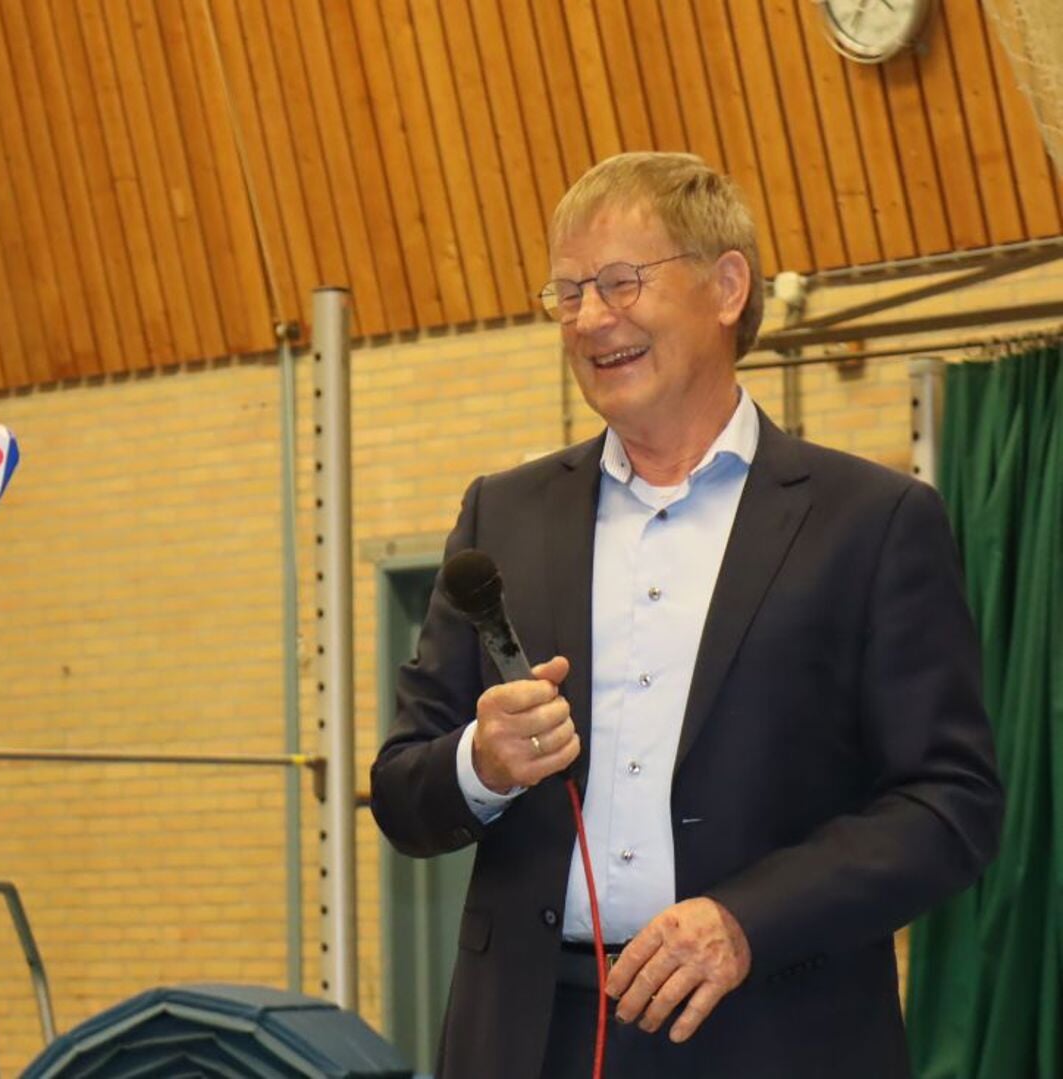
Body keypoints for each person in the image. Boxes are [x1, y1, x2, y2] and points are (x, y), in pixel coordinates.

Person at [369, 152, 1003, 1079]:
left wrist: (745, 920)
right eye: (567, 293)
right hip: (527, 1038)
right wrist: (481, 763)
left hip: (776, 1027)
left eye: (620, 283)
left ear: (726, 285)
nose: (590, 319)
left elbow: (949, 804)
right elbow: (400, 793)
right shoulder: (501, 514)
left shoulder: (870, 522)